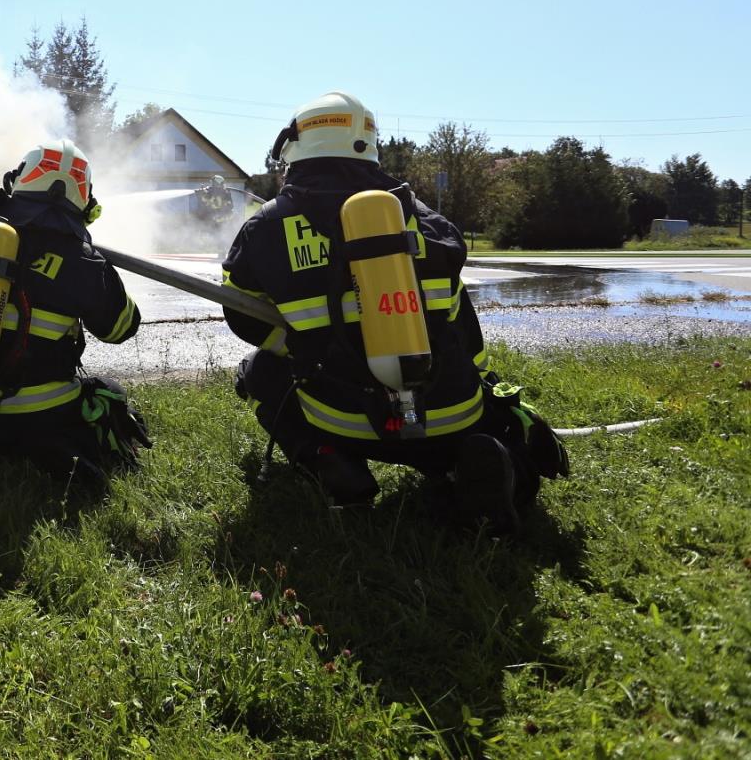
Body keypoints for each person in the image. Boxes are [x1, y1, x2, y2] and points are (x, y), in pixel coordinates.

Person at [222, 92, 568, 534]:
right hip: (450, 413)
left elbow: (240, 314)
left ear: (295, 146)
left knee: (258, 371)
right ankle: (475, 462)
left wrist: (301, 349)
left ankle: (329, 461)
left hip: (339, 416)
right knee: (474, 420)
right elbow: (465, 331)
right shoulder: (429, 222)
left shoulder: (266, 227)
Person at [0, 139, 151, 487]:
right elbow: (121, 329)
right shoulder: (87, 264)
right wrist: (103, 273)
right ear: (84, 200)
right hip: (39, 414)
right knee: (109, 390)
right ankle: (46, 446)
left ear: (18, 181)